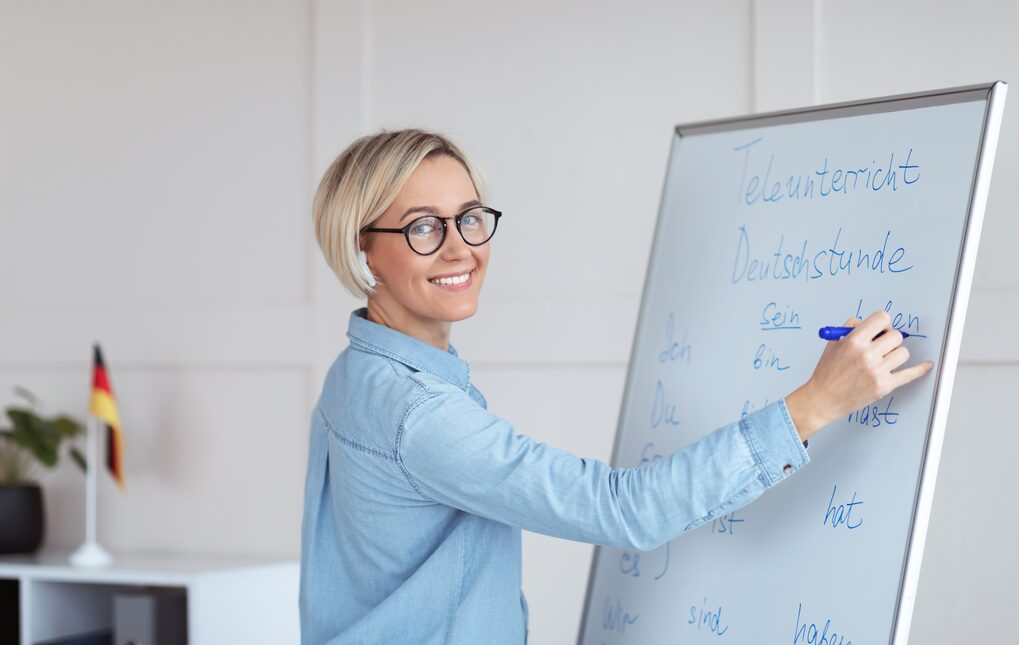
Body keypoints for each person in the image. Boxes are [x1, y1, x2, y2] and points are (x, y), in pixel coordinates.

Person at [298, 128, 933, 644]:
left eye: (468, 218)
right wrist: (815, 403)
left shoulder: (358, 372)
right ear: (364, 251)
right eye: (423, 228)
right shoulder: (418, 413)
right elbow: (622, 509)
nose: (461, 249)